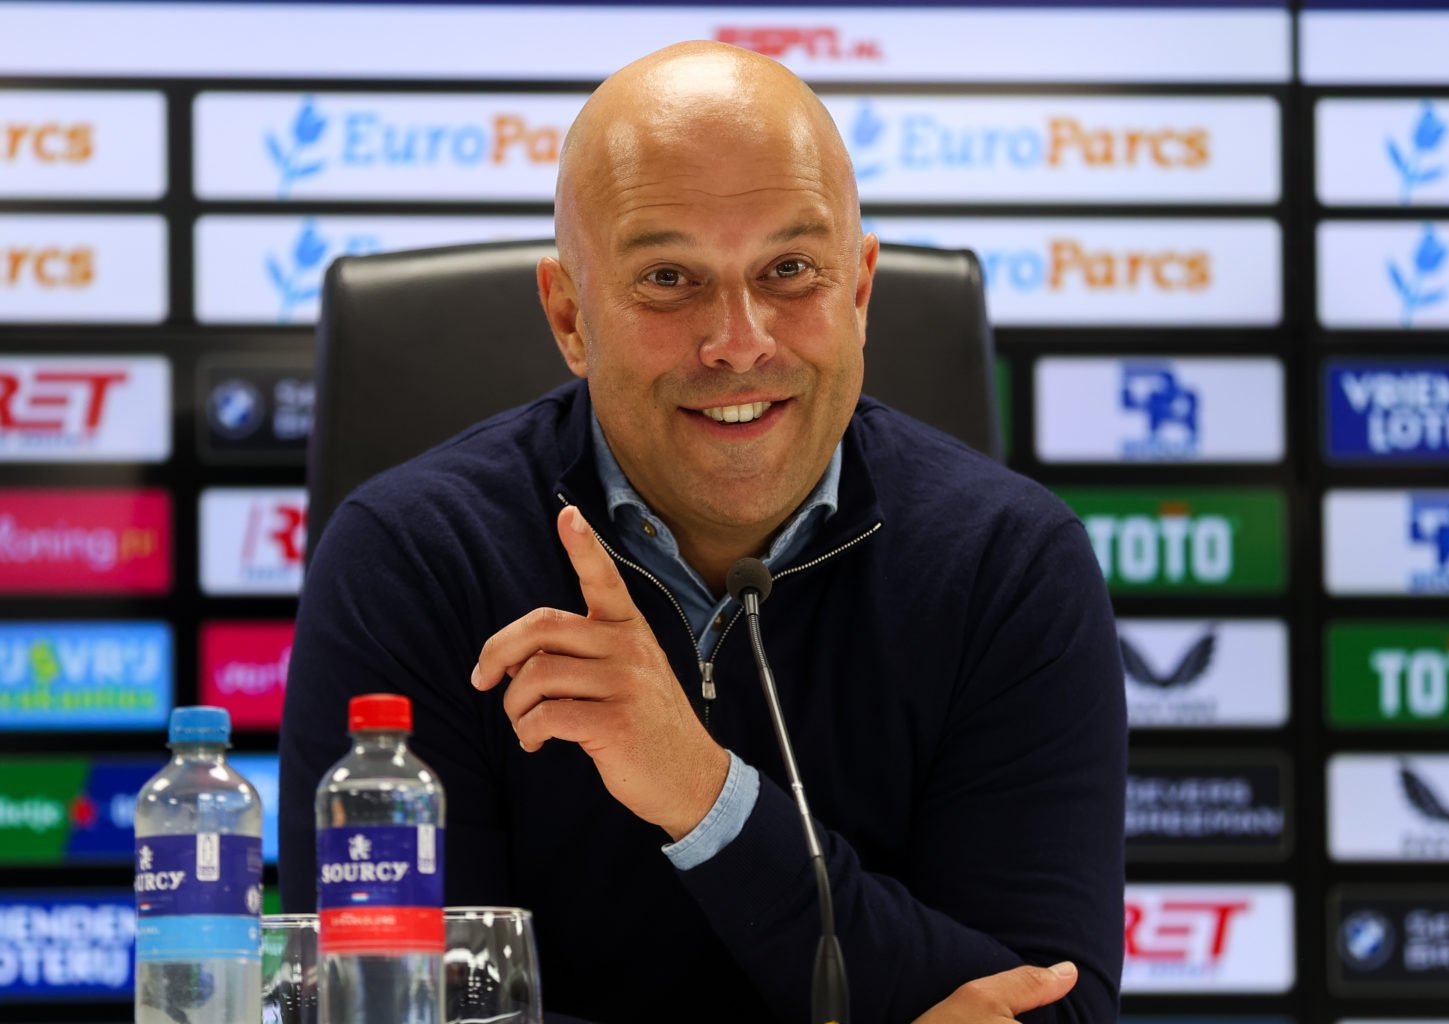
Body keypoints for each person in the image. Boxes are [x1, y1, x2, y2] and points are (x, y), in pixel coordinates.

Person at [279, 41, 1125, 1023]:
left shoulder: (1011, 567)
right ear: (569, 315)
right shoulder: (412, 559)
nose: (739, 340)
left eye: (792, 269)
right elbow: (382, 1011)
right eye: (669, 277)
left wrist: (705, 794)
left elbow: (1046, 1012)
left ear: (858, 292)